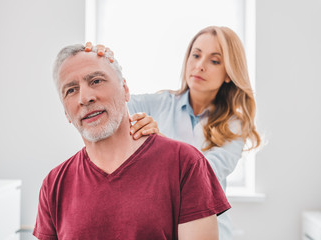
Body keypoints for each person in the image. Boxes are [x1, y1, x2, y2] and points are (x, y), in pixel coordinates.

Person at [33, 43, 231, 240]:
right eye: (71, 90)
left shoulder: (186, 164)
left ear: (125, 89)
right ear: (66, 113)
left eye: (96, 81)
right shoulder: (54, 185)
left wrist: (165, 156)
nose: (85, 98)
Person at [92, 26, 261, 240]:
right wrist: (101, 66)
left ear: (229, 73)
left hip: (209, 229)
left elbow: (205, 175)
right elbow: (113, 105)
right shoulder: (158, 103)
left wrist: (160, 144)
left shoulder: (235, 125)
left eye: (214, 61)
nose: (200, 66)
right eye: (196, 55)